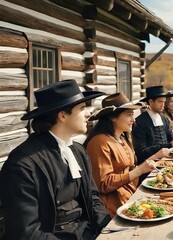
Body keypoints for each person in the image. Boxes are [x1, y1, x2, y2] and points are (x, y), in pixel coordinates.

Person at [0, 80, 110, 239]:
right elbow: (25, 232)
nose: (88, 114)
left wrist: (106, 228)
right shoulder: (22, 164)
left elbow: (92, 198)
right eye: (82, 108)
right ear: (63, 115)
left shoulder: (78, 151)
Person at [84, 92, 160, 217]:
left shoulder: (122, 138)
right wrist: (139, 170)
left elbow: (130, 170)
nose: (133, 120)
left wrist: (150, 161)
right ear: (113, 117)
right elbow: (102, 184)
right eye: (129, 115)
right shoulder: (99, 142)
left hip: (130, 198)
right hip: (112, 208)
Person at [132, 86, 173, 182]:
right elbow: (141, 152)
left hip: (166, 164)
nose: (163, 105)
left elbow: (169, 138)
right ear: (151, 102)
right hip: (148, 169)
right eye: (160, 102)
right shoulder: (140, 122)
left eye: (164, 102)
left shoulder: (163, 118)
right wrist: (170, 145)